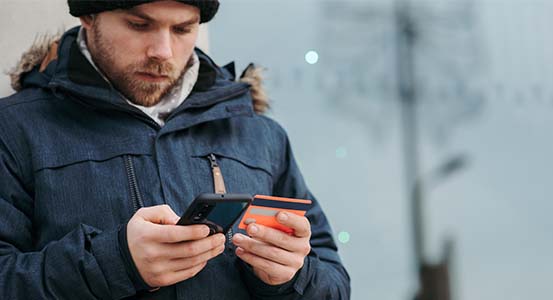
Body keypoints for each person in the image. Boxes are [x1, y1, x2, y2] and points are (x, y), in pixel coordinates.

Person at [0, 1, 351, 299]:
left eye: (183, 29)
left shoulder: (259, 135)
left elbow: (335, 284)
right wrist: (113, 263)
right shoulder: (14, 129)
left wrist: (291, 276)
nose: (162, 52)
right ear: (88, 17)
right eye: (139, 25)